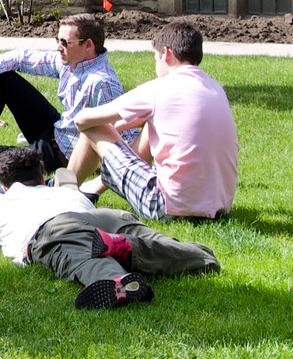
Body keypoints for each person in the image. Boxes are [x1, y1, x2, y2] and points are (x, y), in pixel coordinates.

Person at [0, 147, 221, 309]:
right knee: (146, 235)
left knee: (83, 259)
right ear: (42, 177)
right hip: (103, 216)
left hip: (55, 230)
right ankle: (200, 256)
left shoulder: (0, 204)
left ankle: (118, 281)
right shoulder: (65, 191)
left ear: (3, 186)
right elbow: (69, 182)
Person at [66, 21, 238, 222]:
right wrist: (121, 126)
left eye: (155, 58)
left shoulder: (160, 88)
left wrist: (109, 129)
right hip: (218, 208)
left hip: (167, 206)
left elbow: (83, 120)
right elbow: (158, 117)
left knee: (93, 126)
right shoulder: (215, 88)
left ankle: (62, 193)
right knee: (150, 123)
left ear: (166, 54)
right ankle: (92, 189)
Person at [0, 12, 125, 173]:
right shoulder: (71, 62)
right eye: (58, 41)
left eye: (65, 43)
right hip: (55, 130)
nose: (58, 48)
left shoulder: (102, 83)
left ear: (88, 45)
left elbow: (124, 137)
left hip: (60, 157)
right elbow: (18, 57)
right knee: (1, 77)